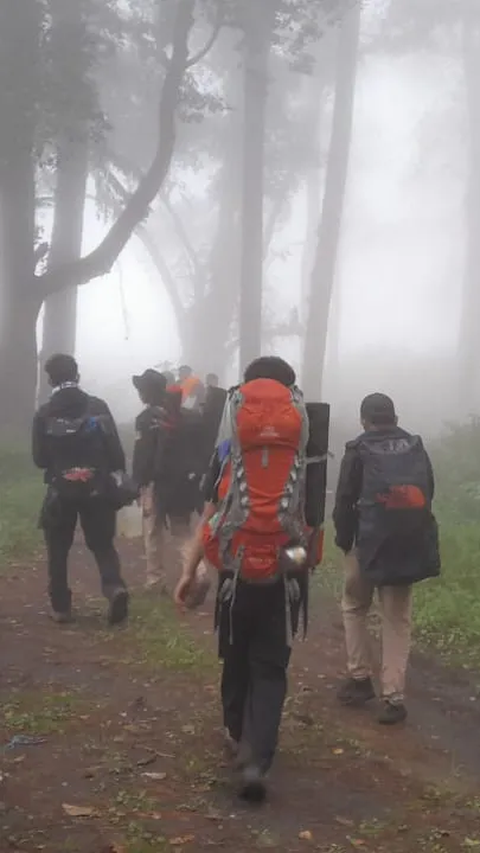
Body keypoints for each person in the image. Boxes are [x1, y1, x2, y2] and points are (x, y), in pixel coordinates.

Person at [175, 356, 312, 803]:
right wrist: (297, 560)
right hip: (284, 566)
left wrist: (190, 569)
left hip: (234, 565)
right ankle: (258, 758)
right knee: (271, 667)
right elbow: (311, 522)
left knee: (235, 654)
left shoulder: (228, 443)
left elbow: (212, 514)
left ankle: (237, 734)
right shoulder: (305, 437)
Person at [333, 393, 440, 725]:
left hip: (365, 545)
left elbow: (343, 502)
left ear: (364, 419)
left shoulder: (358, 449)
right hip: (406, 545)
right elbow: (428, 493)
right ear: (395, 417)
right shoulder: (415, 446)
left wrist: (345, 542)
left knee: (354, 607)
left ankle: (360, 678)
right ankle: (393, 697)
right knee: (397, 620)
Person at [32, 354, 129, 625]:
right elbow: (116, 453)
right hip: (97, 487)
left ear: (50, 379)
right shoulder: (98, 406)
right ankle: (114, 588)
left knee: (58, 547)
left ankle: (61, 606)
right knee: (101, 544)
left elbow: (39, 459)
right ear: (77, 375)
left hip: (60, 490)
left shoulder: (44, 413)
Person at [132, 369, 204, 590]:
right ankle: (198, 573)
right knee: (182, 531)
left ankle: (155, 579)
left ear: (146, 393)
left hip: (156, 484)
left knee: (152, 530)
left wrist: (138, 483)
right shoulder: (186, 416)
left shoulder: (145, 419)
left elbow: (142, 455)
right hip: (183, 483)